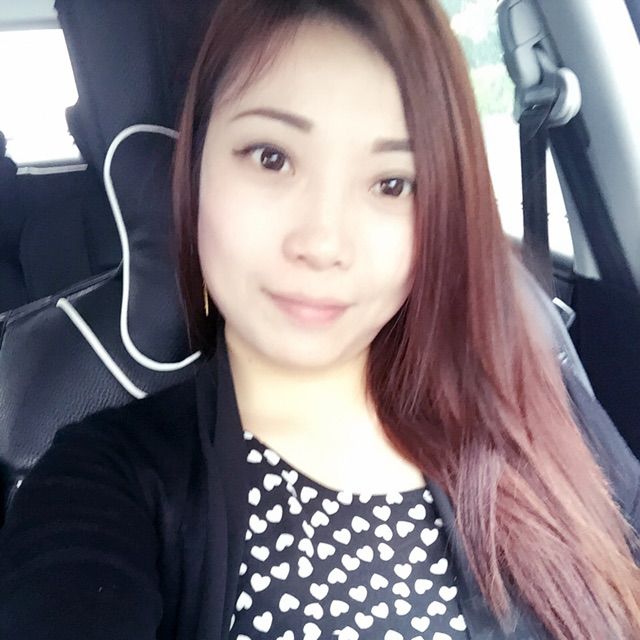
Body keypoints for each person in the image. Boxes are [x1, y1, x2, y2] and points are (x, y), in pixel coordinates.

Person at [1, 1, 640, 639]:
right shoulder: (107, 483)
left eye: (392, 184)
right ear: (194, 170)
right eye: (271, 157)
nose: (323, 242)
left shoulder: (526, 400)